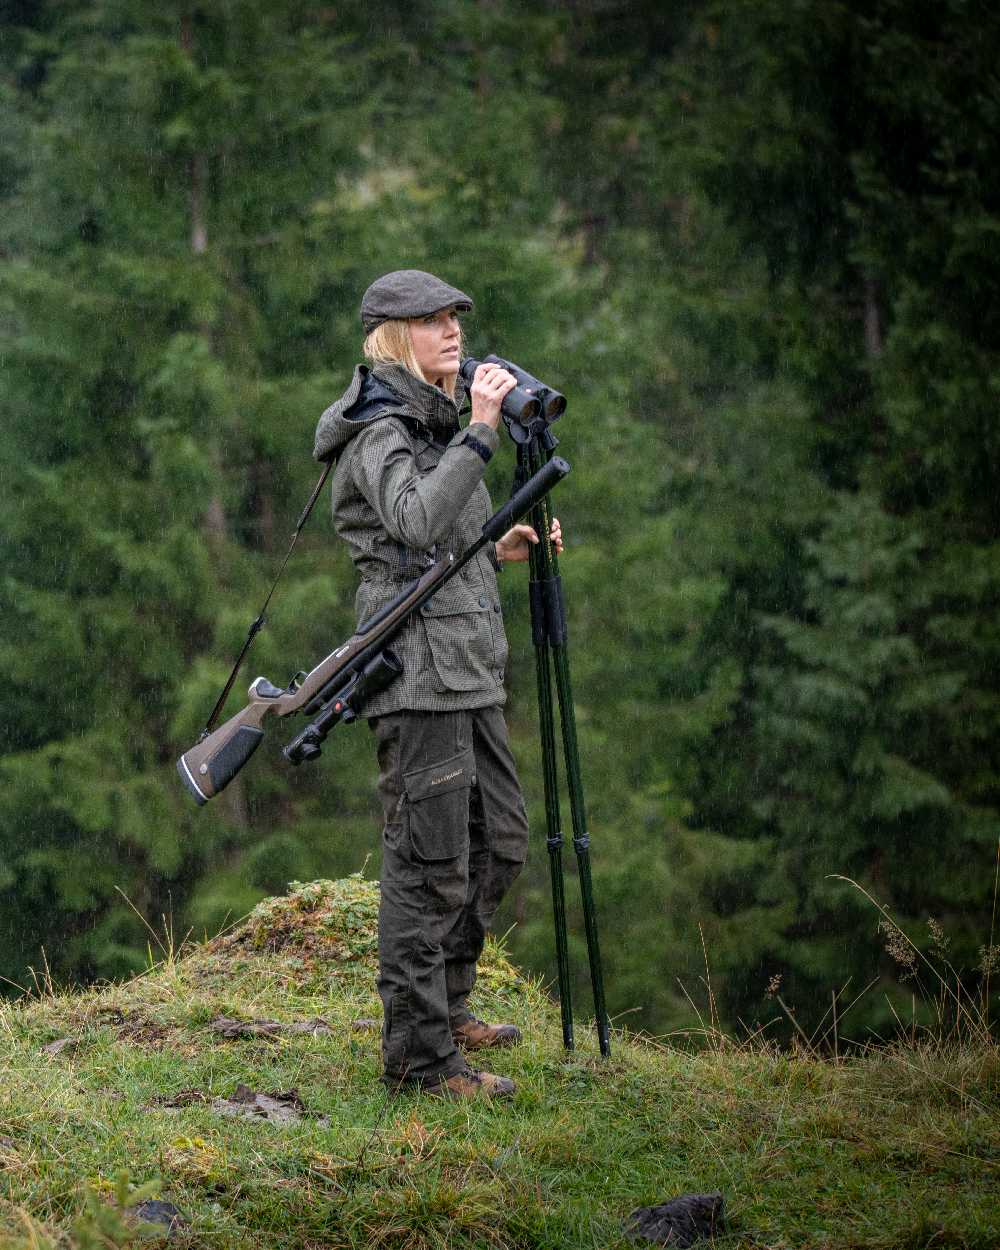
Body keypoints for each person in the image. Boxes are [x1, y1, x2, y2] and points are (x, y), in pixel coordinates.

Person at [312, 270, 562, 1100]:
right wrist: (483, 431)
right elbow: (413, 520)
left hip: (468, 671)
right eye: (431, 321)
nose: (452, 331)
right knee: (428, 869)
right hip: (418, 683)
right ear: (392, 336)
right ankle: (419, 1061)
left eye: (456, 316)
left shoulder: (437, 422)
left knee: (501, 842)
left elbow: (436, 549)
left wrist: (499, 549)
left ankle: (448, 1011)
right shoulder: (379, 430)